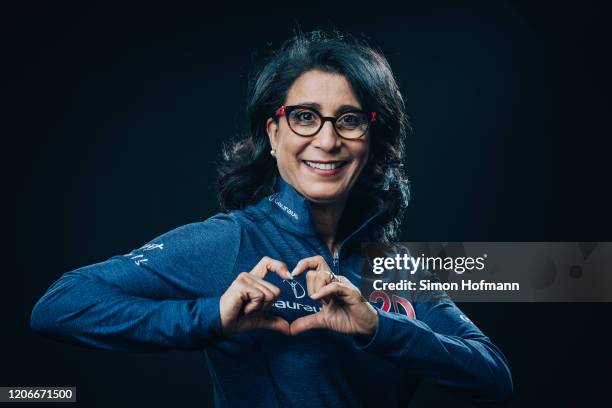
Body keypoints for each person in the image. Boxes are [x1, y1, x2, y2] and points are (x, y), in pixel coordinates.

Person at [30, 30, 513, 406]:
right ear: (275, 132)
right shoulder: (232, 243)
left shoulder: (394, 267)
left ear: (372, 141)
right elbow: (60, 305)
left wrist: (377, 327)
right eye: (305, 116)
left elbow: (494, 378)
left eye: (348, 119)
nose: (326, 140)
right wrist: (209, 317)